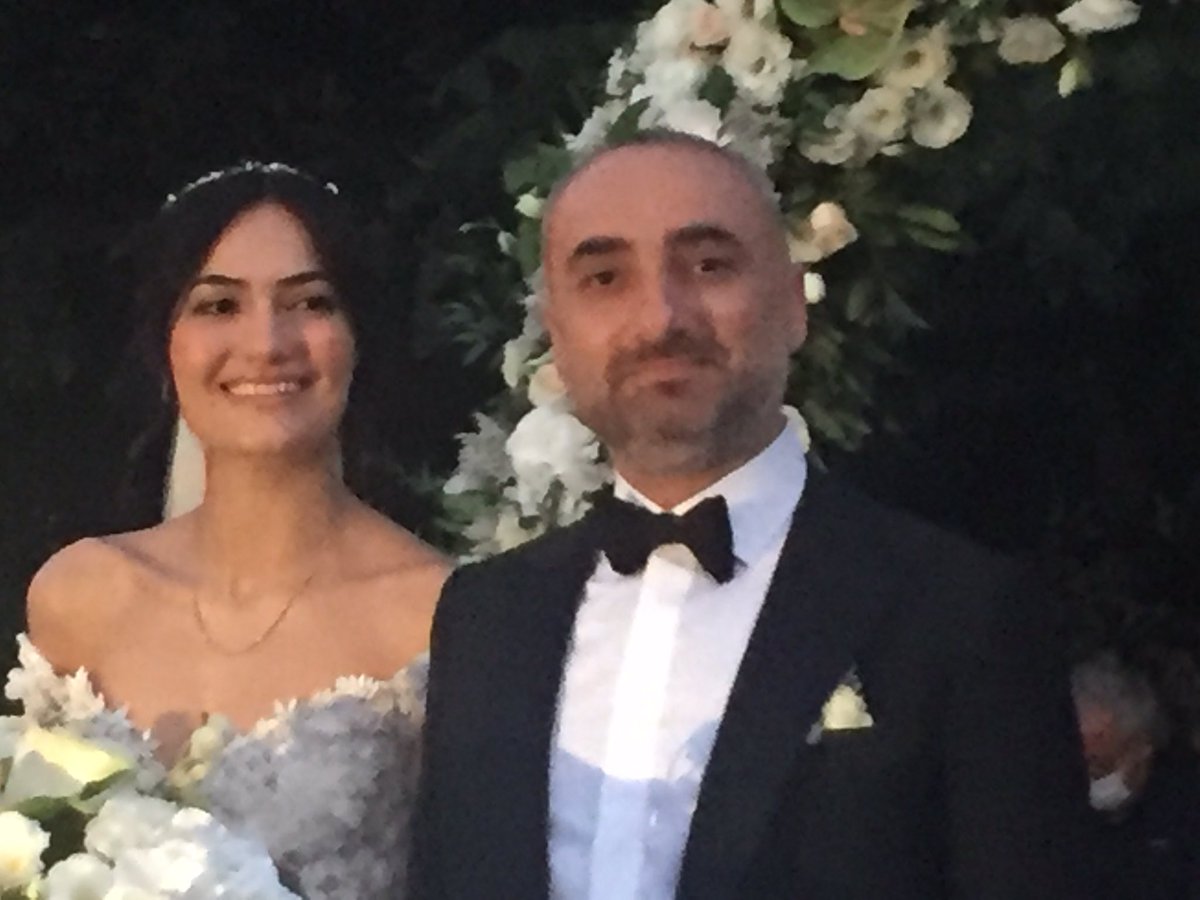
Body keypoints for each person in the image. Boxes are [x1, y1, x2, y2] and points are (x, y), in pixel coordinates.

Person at [412, 130, 1094, 900]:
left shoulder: (959, 614)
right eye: (605, 278)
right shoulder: (486, 618)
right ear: (556, 334)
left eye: (709, 265)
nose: (660, 317)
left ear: (793, 303)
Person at [14, 161, 447, 899]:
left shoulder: (441, 616)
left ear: (358, 336)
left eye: (309, 302)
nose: (266, 342)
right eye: (218, 305)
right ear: (166, 343)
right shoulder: (80, 595)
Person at [1073, 654, 1200, 899]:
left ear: (1140, 748)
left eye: (1099, 765)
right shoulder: (1049, 807)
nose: (1089, 777)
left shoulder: (1187, 808)